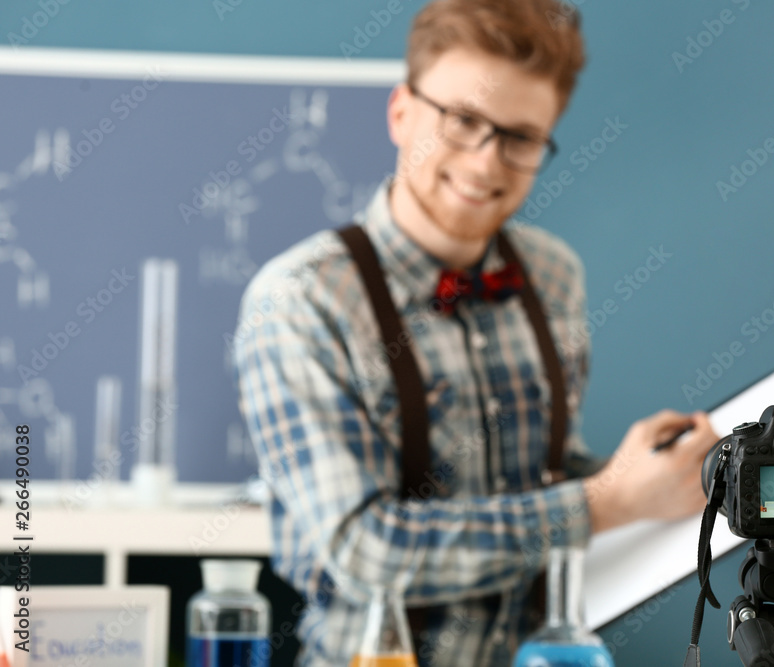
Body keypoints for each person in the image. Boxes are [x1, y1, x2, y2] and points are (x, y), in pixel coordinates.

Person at [233, 1, 719, 664]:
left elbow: (544, 476)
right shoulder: (298, 300)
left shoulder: (552, 274)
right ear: (402, 112)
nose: (487, 163)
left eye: (520, 137)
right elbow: (362, 549)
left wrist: (649, 476)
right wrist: (605, 501)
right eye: (462, 121)